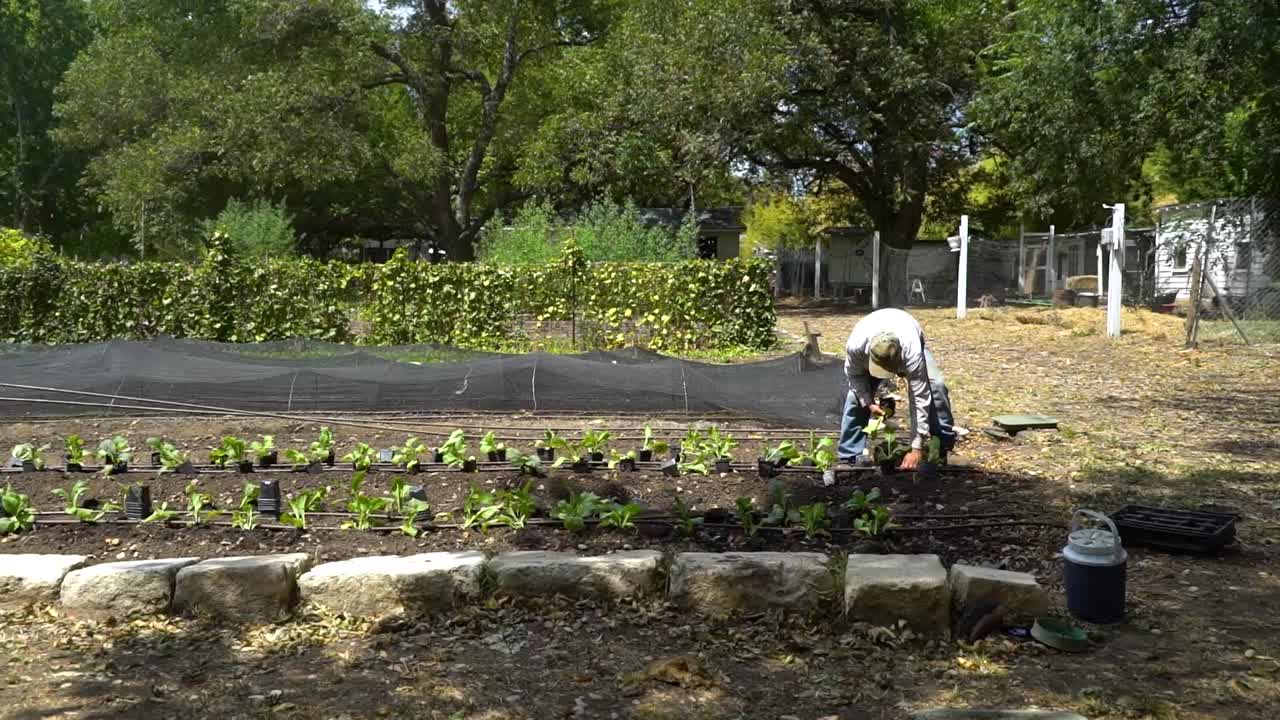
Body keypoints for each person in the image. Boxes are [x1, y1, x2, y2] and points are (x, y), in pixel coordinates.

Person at [839, 308, 956, 470]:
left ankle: (942, 446)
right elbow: (855, 378)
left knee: (936, 386)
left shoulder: (911, 351)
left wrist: (916, 448)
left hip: (908, 333)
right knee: (855, 398)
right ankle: (849, 455)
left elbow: (919, 398)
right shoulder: (856, 347)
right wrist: (868, 402)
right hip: (873, 333)